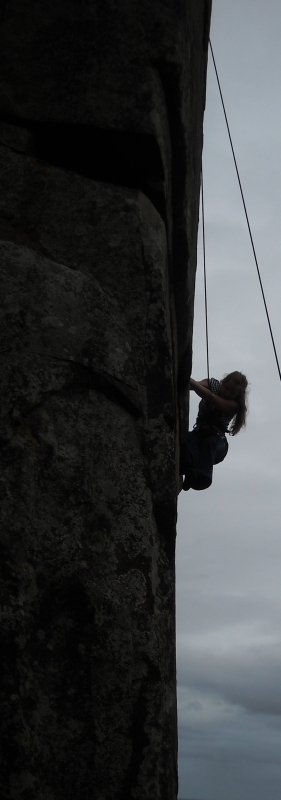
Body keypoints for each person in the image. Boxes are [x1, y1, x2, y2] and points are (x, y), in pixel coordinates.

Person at [180, 371, 248, 491]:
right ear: (223, 383)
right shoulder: (213, 384)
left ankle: (202, 476)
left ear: (237, 395)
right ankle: (187, 465)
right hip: (199, 434)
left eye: (232, 393)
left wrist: (186, 378)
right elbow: (195, 385)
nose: (228, 393)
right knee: (188, 440)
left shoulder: (234, 405)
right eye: (227, 388)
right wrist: (186, 382)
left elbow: (211, 398)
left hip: (218, 442)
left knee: (209, 443)